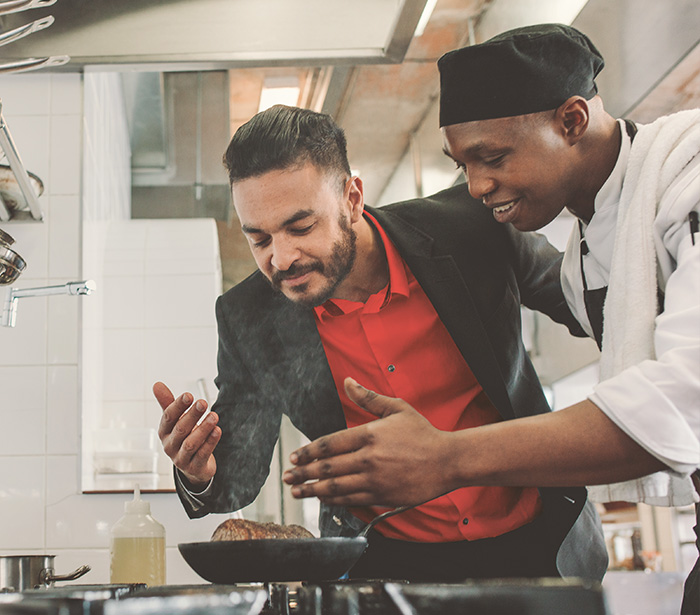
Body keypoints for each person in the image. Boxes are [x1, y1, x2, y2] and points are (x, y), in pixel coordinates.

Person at [282, 23, 700, 612]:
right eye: (461, 165)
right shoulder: (591, 241)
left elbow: (686, 401)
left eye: (493, 157)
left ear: (572, 121)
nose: (476, 187)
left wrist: (446, 457)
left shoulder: (689, 173)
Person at [154, 103, 608, 582]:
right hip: (386, 568)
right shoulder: (249, 315)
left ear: (352, 198)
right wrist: (199, 470)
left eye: (300, 227)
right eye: (258, 239)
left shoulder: (469, 227)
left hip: (537, 546)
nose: (281, 258)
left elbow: (587, 303)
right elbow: (238, 476)